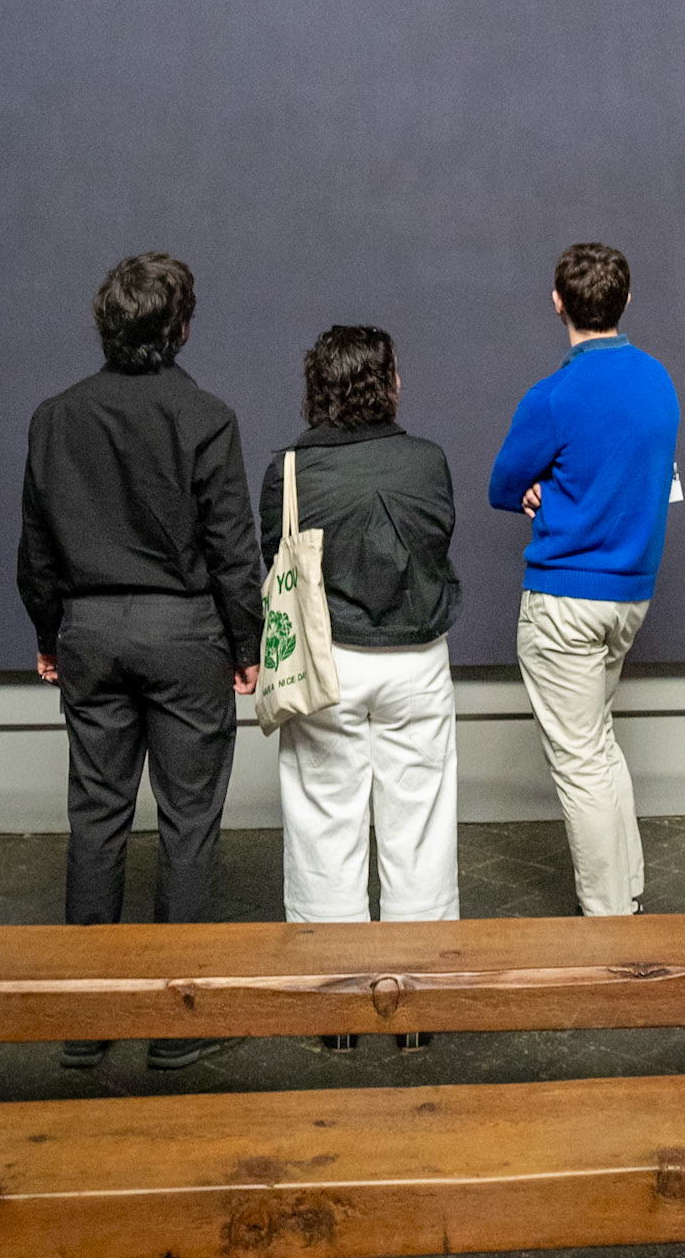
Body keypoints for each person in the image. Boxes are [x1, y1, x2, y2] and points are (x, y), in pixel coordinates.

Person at [16, 252, 264, 1073]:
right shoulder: (206, 416)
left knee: (96, 817)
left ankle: (87, 1021)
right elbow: (232, 549)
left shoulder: (55, 417)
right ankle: (176, 1022)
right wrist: (247, 645)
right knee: (188, 826)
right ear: (181, 328)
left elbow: (36, 547)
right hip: (185, 635)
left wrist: (49, 633)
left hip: (89, 630)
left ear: (104, 324)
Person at [259, 326, 460, 1045]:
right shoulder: (428, 462)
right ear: (388, 382)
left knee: (323, 825)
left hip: (325, 665)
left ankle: (335, 1009)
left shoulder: (288, 470)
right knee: (420, 828)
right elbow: (436, 546)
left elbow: (273, 562)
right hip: (416, 662)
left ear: (318, 387)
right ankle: (417, 1006)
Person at [488, 243, 679, 917]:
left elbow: (501, 485)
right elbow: (643, 476)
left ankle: (608, 919)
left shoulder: (552, 397)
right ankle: (627, 895)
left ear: (557, 303)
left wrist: (539, 484)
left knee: (579, 765)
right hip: (629, 597)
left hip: (565, 601)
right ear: (625, 300)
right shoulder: (659, 383)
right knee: (598, 745)